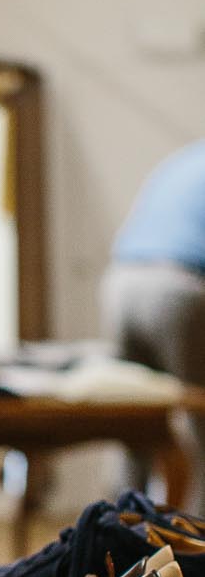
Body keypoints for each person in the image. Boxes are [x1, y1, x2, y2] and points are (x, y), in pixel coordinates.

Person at [102, 138, 205, 511]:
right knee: (201, 426)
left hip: (122, 283)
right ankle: (199, 551)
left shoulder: (182, 159)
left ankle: (117, 532)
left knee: (134, 424)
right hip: (181, 289)